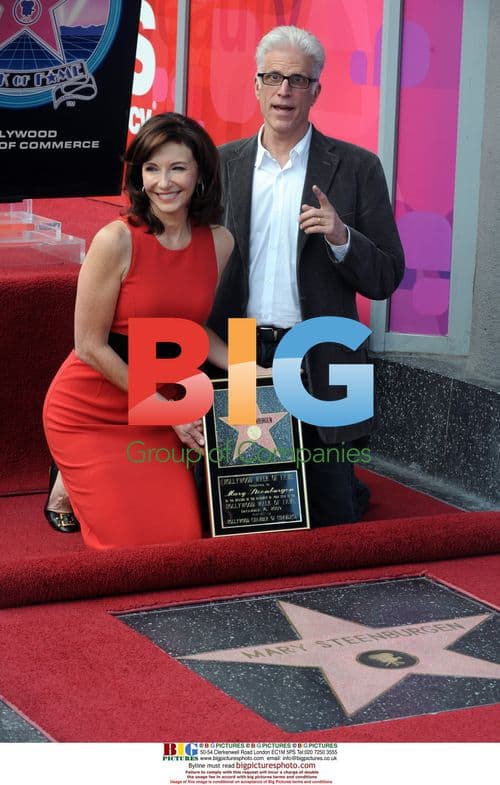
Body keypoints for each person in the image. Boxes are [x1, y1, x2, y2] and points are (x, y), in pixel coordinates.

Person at [208, 26, 405, 526]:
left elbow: (385, 277)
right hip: (242, 349)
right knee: (256, 512)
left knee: (332, 517)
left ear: (317, 90)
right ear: (255, 85)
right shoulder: (221, 163)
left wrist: (342, 236)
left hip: (323, 351)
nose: (284, 91)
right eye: (273, 77)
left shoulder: (358, 168)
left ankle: (345, 487)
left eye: (298, 79)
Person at [43, 113, 234, 549]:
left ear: (200, 173)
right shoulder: (116, 239)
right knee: (137, 548)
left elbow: (190, 327)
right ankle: (67, 479)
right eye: (152, 168)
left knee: (180, 538)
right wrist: (172, 413)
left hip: (157, 412)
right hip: (90, 411)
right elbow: (89, 346)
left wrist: (252, 368)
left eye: (177, 168)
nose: (163, 182)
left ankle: (69, 485)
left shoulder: (219, 242)